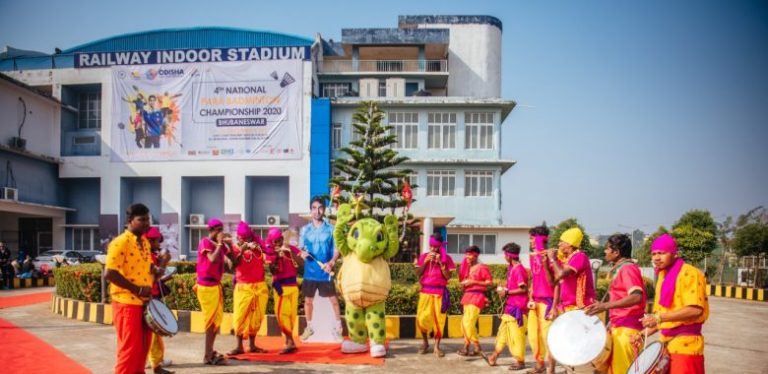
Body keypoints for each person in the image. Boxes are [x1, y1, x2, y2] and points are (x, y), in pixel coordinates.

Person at [635, 234, 709, 374]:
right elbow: (665, 317)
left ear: (675, 254)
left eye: (662, 253)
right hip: (665, 345)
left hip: (686, 346)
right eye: (654, 254)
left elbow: (695, 310)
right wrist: (643, 334)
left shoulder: (690, 273)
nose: (656, 258)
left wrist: (658, 318)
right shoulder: (663, 276)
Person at [103, 203, 154, 374]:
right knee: (129, 350)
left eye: (148, 219)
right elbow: (110, 273)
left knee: (142, 349)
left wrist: (159, 266)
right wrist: (137, 289)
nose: (146, 223)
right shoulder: (120, 242)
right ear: (130, 221)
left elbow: (147, 268)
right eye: (142, 220)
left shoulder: (145, 242)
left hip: (144, 303)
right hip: (126, 303)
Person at [584, 233, 646, 374]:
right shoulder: (621, 269)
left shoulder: (627, 269)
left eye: (607, 248)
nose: (605, 251)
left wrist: (604, 306)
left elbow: (637, 296)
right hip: (620, 328)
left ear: (616, 252)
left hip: (627, 333)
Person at [299, 196, 343, 342]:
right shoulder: (304, 230)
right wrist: (303, 254)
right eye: (314, 208)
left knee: (334, 301)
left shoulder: (331, 229)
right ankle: (309, 327)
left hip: (326, 273)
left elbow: (336, 250)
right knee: (308, 301)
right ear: (310, 210)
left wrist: (331, 262)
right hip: (310, 273)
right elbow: (301, 249)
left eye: (320, 208)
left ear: (324, 209)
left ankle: (338, 329)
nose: (317, 211)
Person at [195, 218, 233, 365]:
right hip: (206, 287)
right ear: (210, 230)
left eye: (222, 230)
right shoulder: (205, 242)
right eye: (218, 230)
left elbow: (233, 263)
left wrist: (231, 245)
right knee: (210, 323)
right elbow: (212, 259)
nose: (221, 232)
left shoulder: (220, 245)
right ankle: (207, 355)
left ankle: (210, 351)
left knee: (216, 322)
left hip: (215, 286)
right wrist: (220, 244)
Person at [486, 242, 529, 370]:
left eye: (505, 255)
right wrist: (505, 289)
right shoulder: (512, 268)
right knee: (503, 333)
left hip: (518, 309)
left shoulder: (519, 269)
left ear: (509, 256)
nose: (504, 257)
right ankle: (494, 355)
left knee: (516, 337)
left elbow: (524, 289)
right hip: (510, 308)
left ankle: (520, 361)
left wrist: (506, 292)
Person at [228, 221, 269, 355]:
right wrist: (242, 250)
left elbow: (269, 255)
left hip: (260, 286)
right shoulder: (234, 249)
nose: (246, 240)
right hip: (243, 287)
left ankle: (252, 345)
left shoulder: (258, 246)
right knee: (240, 316)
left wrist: (258, 248)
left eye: (248, 238)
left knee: (256, 317)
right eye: (243, 238)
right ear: (238, 238)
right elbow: (232, 265)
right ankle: (239, 346)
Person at [414, 233, 456, 357]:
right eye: (431, 246)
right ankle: (425, 342)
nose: (433, 249)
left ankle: (437, 347)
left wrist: (441, 264)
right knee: (422, 319)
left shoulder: (447, 258)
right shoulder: (424, 257)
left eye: (436, 246)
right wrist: (425, 262)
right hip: (425, 292)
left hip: (440, 293)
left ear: (440, 246)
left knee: (439, 321)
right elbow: (418, 273)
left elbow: (448, 276)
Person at [264, 228, 303, 354]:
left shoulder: (291, 248)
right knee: (282, 316)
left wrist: (290, 252)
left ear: (282, 238)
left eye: (279, 240)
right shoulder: (270, 252)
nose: (278, 243)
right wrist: (276, 257)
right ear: (272, 242)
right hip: (281, 287)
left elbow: (302, 264)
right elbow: (272, 270)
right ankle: (290, 341)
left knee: (291, 316)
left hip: (293, 286)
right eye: (275, 241)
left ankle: (288, 342)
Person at [526, 225, 559, 374]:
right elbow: (534, 278)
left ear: (539, 239)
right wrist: (530, 295)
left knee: (548, 337)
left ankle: (551, 369)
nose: (530, 241)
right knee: (533, 336)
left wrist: (554, 307)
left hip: (548, 303)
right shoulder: (533, 256)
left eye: (532, 238)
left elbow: (556, 283)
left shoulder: (552, 256)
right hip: (535, 302)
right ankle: (540, 365)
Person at [145, 227, 174, 374]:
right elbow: (153, 277)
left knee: (154, 333)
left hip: (153, 295)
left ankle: (155, 361)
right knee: (153, 334)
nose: (159, 245)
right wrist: (164, 262)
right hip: (150, 297)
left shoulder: (151, 255)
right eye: (157, 241)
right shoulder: (148, 256)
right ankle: (155, 363)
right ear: (149, 241)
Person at [548, 227, 596, 311]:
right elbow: (553, 282)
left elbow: (561, 274)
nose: (559, 244)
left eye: (561, 241)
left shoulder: (580, 256)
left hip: (581, 307)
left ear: (569, 243)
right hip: (568, 306)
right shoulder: (567, 260)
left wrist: (553, 259)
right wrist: (545, 262)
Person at [457, 245, 492, 357]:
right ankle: (474, 347)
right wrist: (463, 285)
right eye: (466, 255)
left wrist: (473, 282)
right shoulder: (467, 268)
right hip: (467, 296)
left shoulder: (482, 267)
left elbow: (489, 282)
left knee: (468, 323)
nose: (467, 257)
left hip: (477, 296)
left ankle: (469, 347)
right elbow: (465, 282)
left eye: (470, 255)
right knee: (465, 324)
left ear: (476, 256)